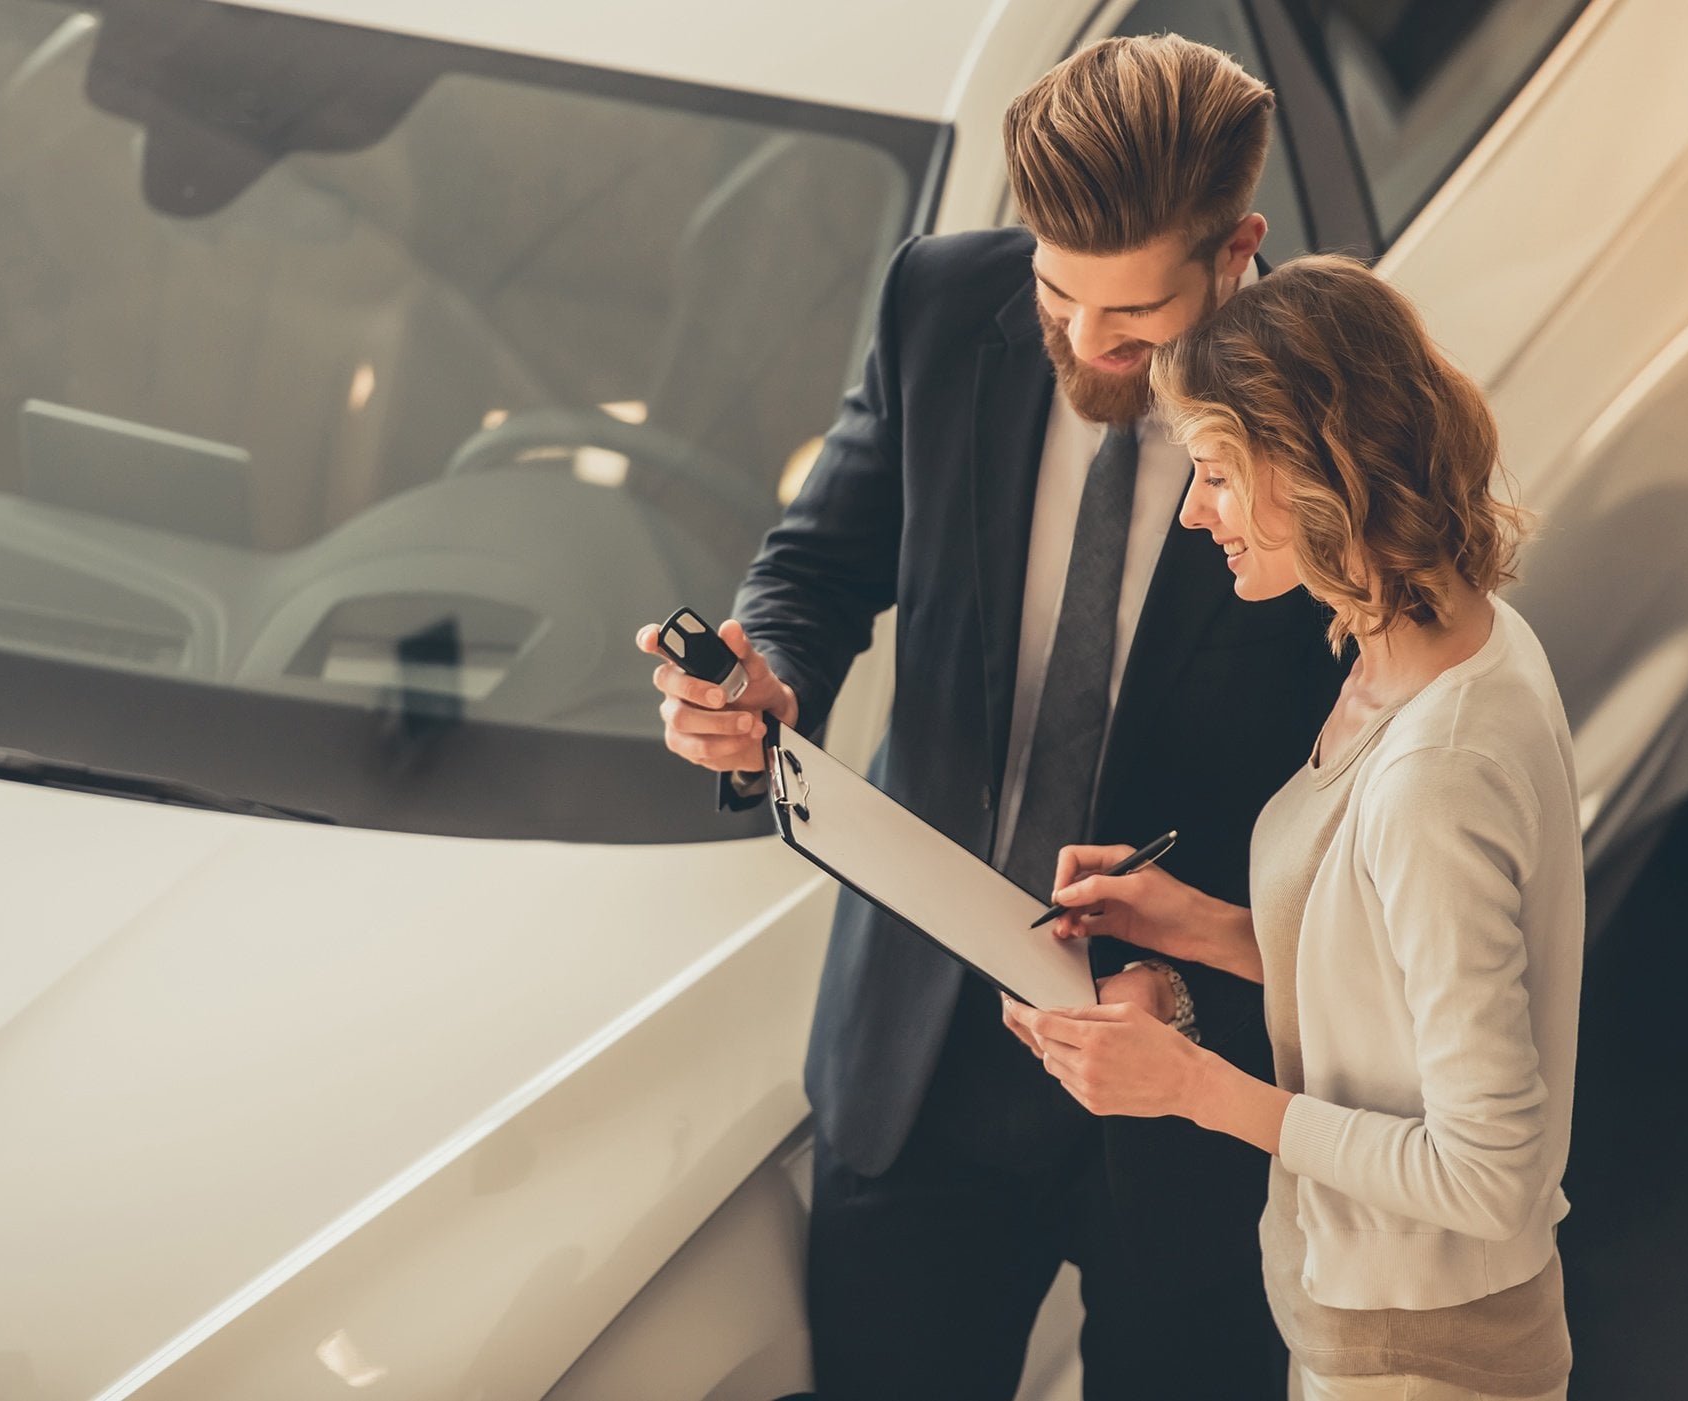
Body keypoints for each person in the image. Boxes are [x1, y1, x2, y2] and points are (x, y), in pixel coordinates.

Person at [637, 34, 1348, 1400]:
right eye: (1055, 294)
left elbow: (1373, 805)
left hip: (1199, 1086)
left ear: (1237, 251)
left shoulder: (1339, 405)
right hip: (922, 1047)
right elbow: (816, 568)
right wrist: (767, 675)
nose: (1083, 347)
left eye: (1133, 318)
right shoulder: (940, 299)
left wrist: (1195, 991)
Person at [1006, 255, 1580, 1400]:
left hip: (1423, 1356)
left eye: (1217, 472)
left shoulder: (1437, 773)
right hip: (1373, 1320)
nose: (1192, 509)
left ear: (1312, 469)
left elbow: (1489, 1174)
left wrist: (1191, 1086)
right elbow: (1388, 974)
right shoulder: (1431, 640)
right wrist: (1194, 925)